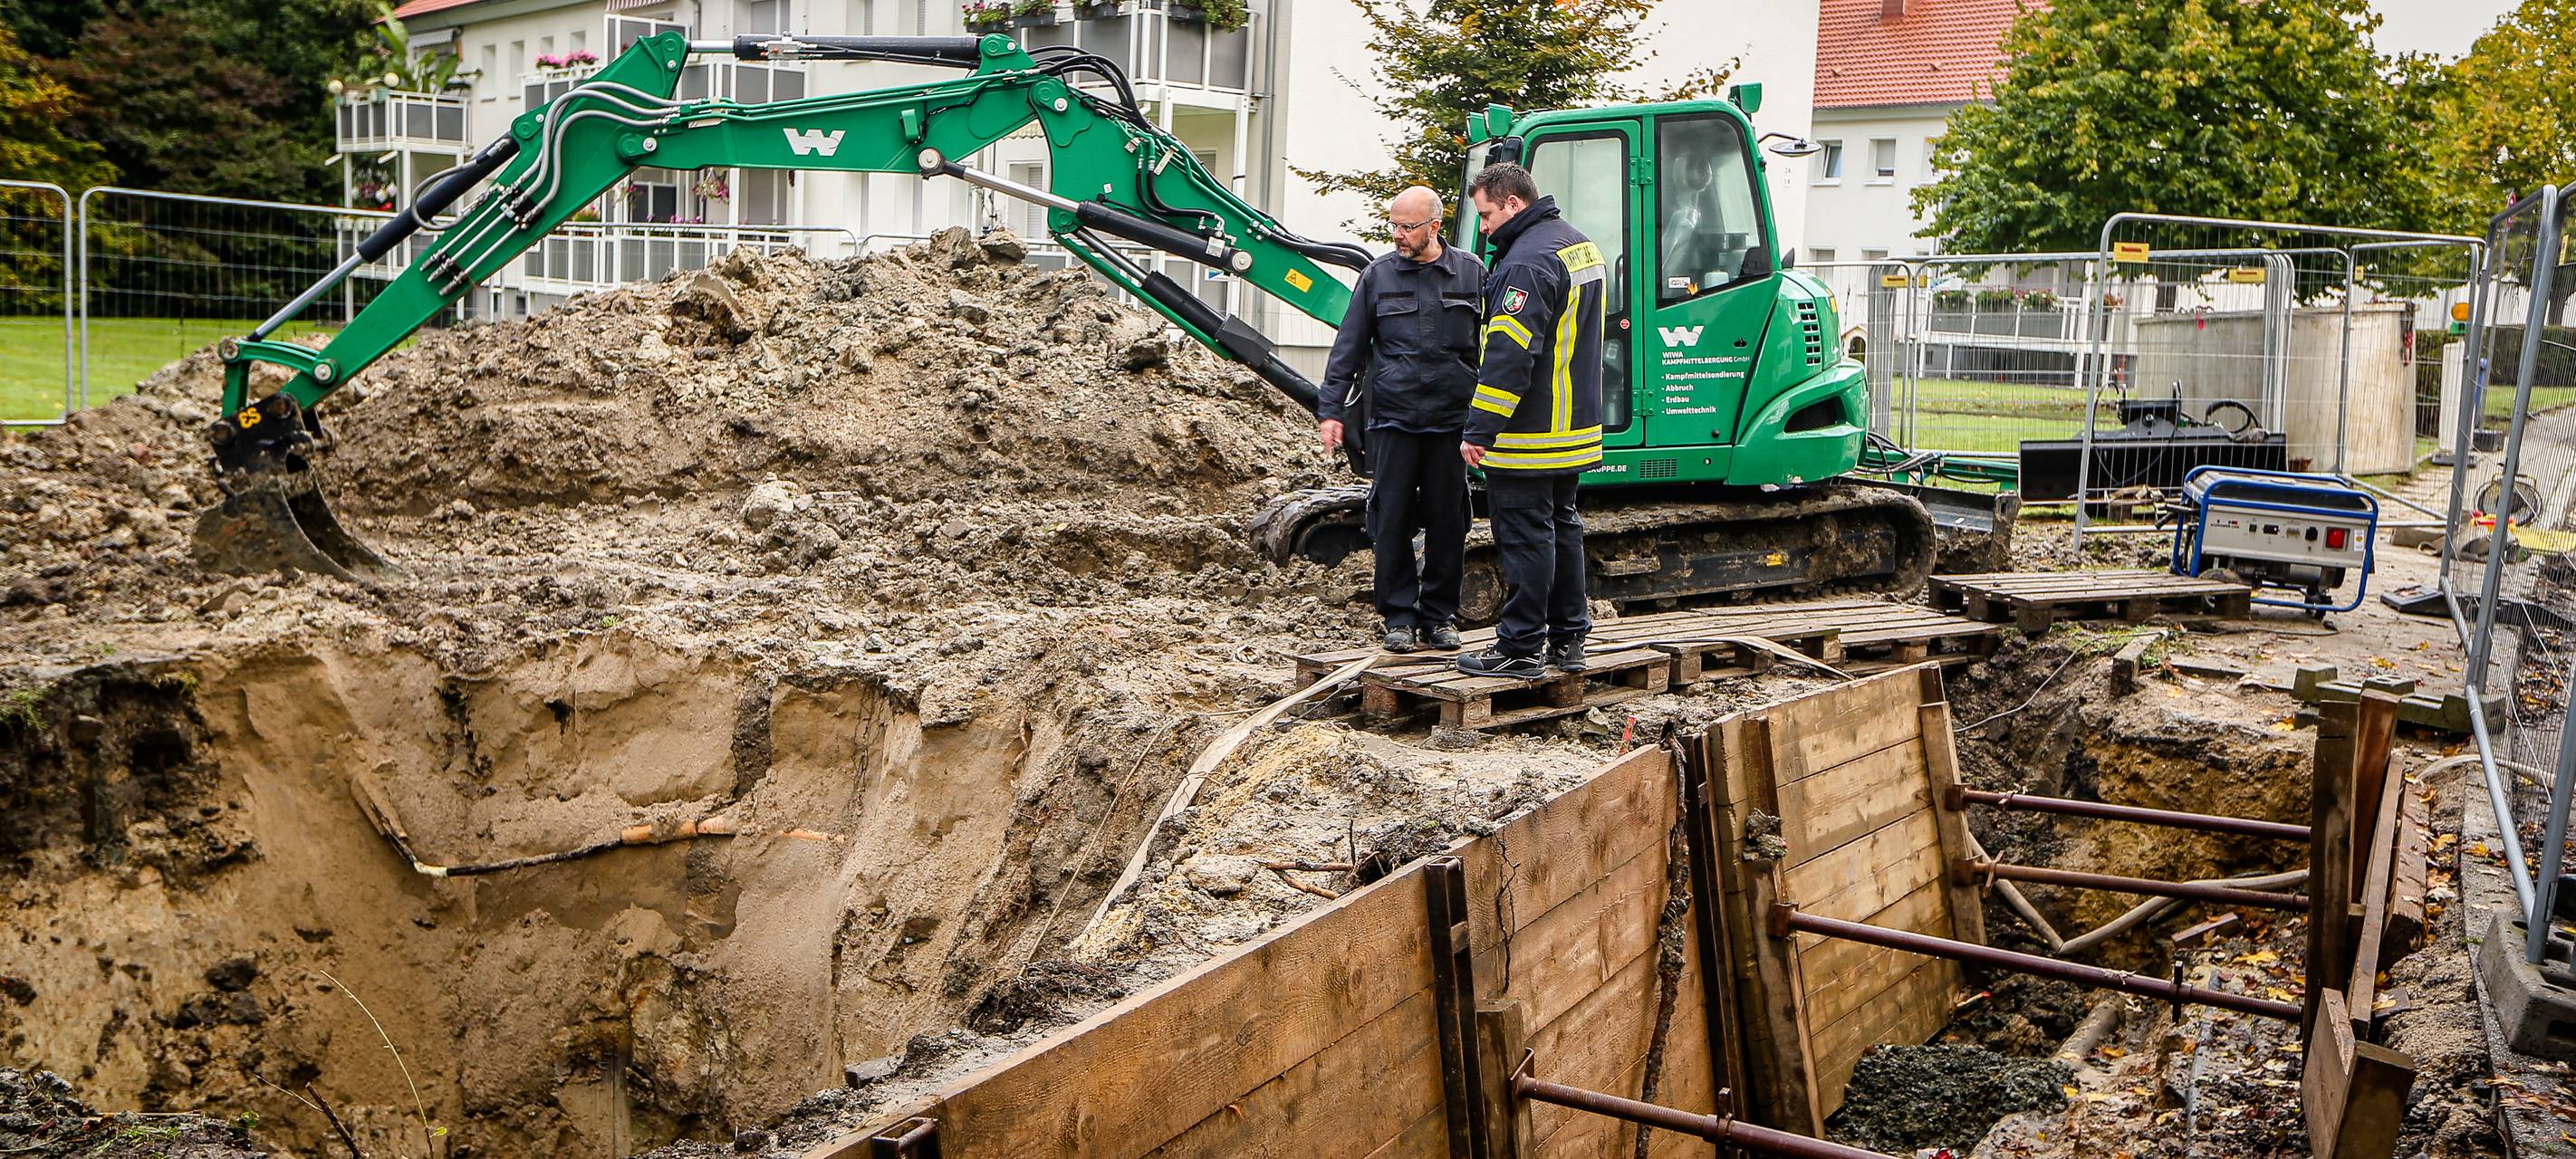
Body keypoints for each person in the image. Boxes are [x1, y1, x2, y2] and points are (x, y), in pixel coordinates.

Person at [1319, 185, 1488, 653]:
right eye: (1393, 225)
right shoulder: (1378, 277)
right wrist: (1331, 409)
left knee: (1448, 521)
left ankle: (1439, 616)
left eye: (1407, 227)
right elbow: (1348, 348)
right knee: (1389, 520)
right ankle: (1397, 617)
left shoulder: (1471, 273)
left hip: (1452, 424)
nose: (1397, 234)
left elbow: (1500, 344)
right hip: (1392, 421)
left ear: (1434, 227)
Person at [1454, 163, 1604, 680]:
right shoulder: (1578, 244)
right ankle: (1569, 640)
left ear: (1513, 203)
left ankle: (1519, 647)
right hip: (1575, 425)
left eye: (1488, 215)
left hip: (1530, 430)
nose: (1486, 227)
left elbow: (1509, 358)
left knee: (1525, 537)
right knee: (1562, 527)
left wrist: (1478, 430)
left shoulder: (1525, 264)